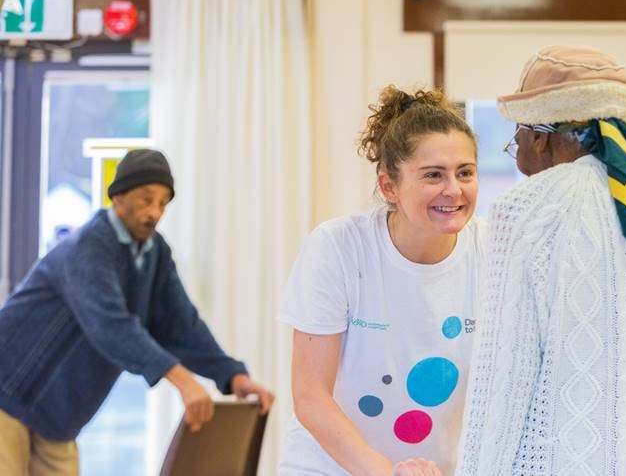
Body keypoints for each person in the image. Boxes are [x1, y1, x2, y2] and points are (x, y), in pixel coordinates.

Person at [455, 46, 626, 476]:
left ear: (539, 135)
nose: (515, 145)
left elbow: (504, 380)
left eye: (516, 132)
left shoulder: (528, 208)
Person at [0, 149, 275, 476]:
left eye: (162, 203)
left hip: (59, 419)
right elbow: (110, 325)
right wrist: (182, 380)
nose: (154, 212)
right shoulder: (88, 246)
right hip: (7, 396)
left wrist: (233, 376)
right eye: (146, 200)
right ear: (118, 197)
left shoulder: (155, 253)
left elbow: (181, 325)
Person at [279, 87, 483, 476]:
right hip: (330, 468)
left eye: (465, 173)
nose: (453, 190)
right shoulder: (338, 247)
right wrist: (386, 472)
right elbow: (310, 395)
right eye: (433, 175)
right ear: (389, 186)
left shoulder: (494, 250)